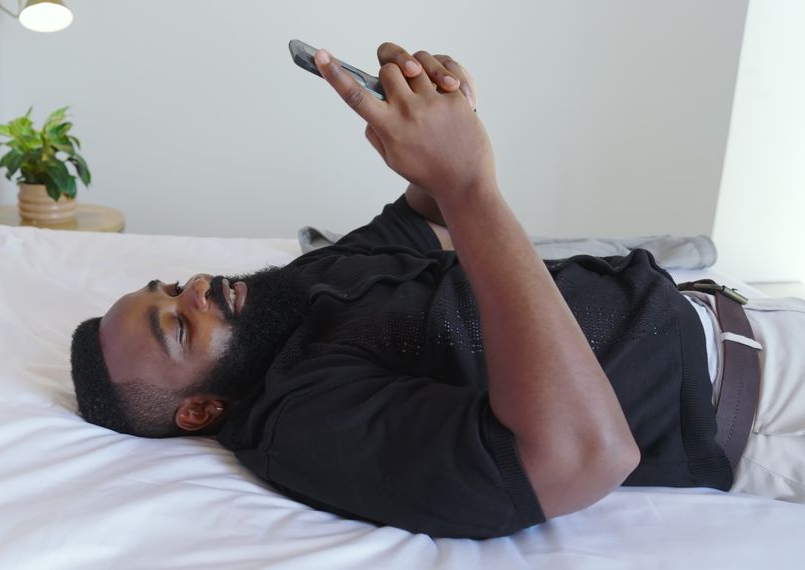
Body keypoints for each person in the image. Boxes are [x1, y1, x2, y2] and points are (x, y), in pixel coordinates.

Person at [69, 43, 805, 539]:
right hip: (760, 410)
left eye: (170, 287)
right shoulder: (306, 426)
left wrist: (443, 122)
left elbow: (424, 217)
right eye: (177, 326)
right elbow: (581, 458)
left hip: (744, 314)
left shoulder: (288, 297)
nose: (195, 289)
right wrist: (469, 182)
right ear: (200, 410)